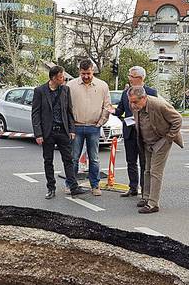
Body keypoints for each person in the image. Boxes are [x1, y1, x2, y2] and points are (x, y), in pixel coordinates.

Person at [32, 65, 85, 199]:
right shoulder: (40, 91)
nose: (64, 79)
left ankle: (73, 187)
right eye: (61, 77)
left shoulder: (65, 90)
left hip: (63, 130)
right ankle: (51, 188)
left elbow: (69, 111)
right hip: (47, 132)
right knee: (48, 160)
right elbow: (35, 114)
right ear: (54, 78)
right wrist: (38, 134)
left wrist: (72, 129)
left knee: (69, 159)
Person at [129, 86, 183, 213]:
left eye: (135, 102)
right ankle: (146, 197)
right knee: (147, 170)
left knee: (155, 172)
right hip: (147, 142)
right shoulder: (136, 105)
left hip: (161, 141)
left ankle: (153, 204)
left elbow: (177, 119)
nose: (132, 105)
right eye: (130, 101)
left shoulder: (159, 105)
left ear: (144, 98)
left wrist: (169, 138)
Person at [67, 59, 113, 196]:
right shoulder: (70, 85)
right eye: (83, 73)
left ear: (93, 70)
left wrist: (100, 122)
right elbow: (66, 107)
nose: (86, 76)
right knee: (73, 158)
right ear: (79, 72)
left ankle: (95, 185)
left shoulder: (102, 86)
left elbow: (107, 106)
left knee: (94, 158)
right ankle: (71, 184)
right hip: (76, 126)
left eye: (88, 73)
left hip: (94, 127)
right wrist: (70, 126)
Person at [113, 66, 157, 197]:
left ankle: (145, 191)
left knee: (144, 163)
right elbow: (121, 110)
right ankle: (133, 187)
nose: (129, 79)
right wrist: (112, 110)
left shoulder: (151, 92)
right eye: (129, 76)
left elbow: (153, 112)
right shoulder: (125, 92)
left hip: (144, 133)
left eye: (131, 76)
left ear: (140, 78)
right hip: (129, 132)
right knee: (131, 162)